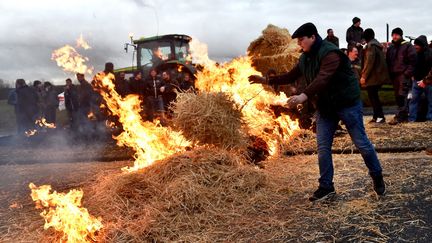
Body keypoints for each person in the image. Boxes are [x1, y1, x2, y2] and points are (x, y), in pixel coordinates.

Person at [249, 23, 385, 201]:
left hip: (346, 103)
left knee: (362, 144)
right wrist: (265, 80)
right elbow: (291, 75)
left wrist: (303, 96)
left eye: (301, 40)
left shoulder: (330, 53)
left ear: (312, 37)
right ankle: (326, 187)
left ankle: (377, 176)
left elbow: (323, 78)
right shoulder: (305, 58)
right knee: (322, 147)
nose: (299, 44)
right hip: (326, 107)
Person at [386, 27, 417, 125]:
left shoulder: (408, 46)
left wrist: (406, 73)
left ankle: (401, 116)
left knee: (402, 95)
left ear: (400, 35)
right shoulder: (391, 47)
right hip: (394, 75)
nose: (394, 36)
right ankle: (402, 115)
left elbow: (413, 61)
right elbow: (388, 61)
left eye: (396, 34)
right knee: (398, 96)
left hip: (403, 75)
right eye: (393, 34)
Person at [360, 28, 390, 124]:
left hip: (373, 77)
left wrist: (364, 76)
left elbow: (369, 62)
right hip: (378, 75)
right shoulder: (376, 45)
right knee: (373, 96)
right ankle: (376, 116)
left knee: (373, 97)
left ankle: (380, 116)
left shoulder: (371, 46)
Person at [408, 35, 432, 122]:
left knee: (430, 101)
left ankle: (429, 119)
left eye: (417, 45)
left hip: (428, 82)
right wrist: (413, 75)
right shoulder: (416, 54)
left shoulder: (430, 54)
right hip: (417, 80)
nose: (415, 46)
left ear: (422, 45)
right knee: (413, 101)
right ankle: (412, 119)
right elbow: (413, 65)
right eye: (415, 44)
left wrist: (426, 80)